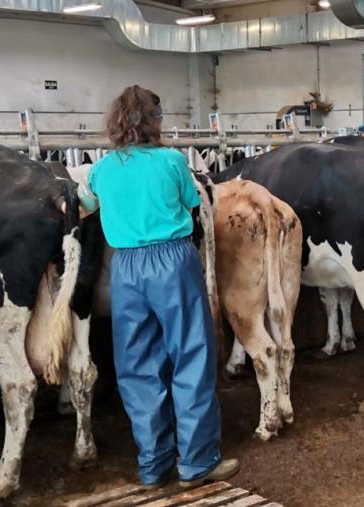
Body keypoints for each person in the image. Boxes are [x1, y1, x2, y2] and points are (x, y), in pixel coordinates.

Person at [79, 85, 238, 488]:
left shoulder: (103, 167)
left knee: (136, 366)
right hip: (172, 261)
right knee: (191, 356)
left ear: (115, 122)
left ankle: (152, 463)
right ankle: (197, 461)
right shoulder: (171, 161)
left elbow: (83, 203)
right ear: (153, 121)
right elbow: (189, 202)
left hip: (126, 269)